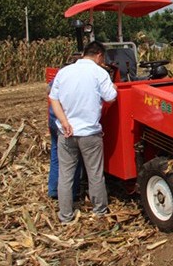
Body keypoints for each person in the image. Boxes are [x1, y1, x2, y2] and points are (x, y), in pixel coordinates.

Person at [49, 41, 118, 224]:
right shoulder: (99, 73)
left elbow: (53, 99)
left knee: (66, 175)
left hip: (67, 133)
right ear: (99, 56)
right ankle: (100, 212)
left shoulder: (64, 72)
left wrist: (64, 122)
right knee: (95, 173)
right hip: (90, 134)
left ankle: (65, 216)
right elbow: (110, 96)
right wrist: (114, 90)